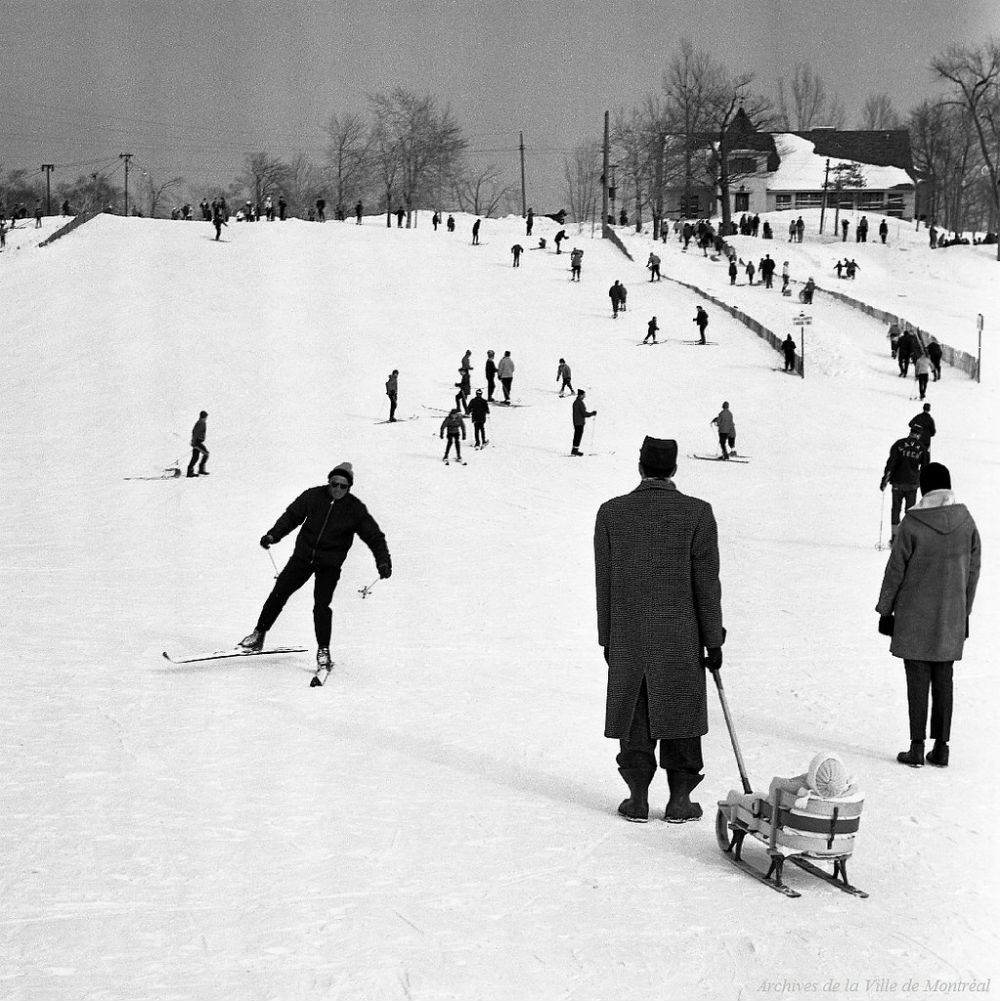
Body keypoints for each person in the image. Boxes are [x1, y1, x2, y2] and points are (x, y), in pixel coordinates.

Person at [594, 436, 725, 823]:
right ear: (674, 469)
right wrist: (712, 639)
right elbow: (707, 583)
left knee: (636, 710)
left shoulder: (611, 514)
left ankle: (637, 798)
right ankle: (680, 801)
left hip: (629, 634)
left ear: (640, 466)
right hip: (681, 637)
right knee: (681, 711)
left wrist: (608, 638)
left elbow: (605, 583)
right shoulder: (698, 514)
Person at [876, 463, 980, 768]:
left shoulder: (913, 523)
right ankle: (942, 747)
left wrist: (886, 610)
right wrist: (965, 611)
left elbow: (895, 570)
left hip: (914, 615)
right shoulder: (966, 522)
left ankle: (917, 747)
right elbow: (973, 572)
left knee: (918, 679)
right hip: (951, 616)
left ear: (924, 488)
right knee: (944, 677)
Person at [238, 464, 391, 671]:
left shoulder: (354, 508)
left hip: (329, 564)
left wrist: (383, 560)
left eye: (343, 486)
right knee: (279, 592)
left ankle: (323, 651)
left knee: (321, 605)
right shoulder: (313, 496)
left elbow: (374, 536)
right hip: (303, 557)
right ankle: (258, 634)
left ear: (349, 488)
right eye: (334, 484)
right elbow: (292, 516)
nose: (337, 489)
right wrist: (273, 535)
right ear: (329, 482)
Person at [880, 426, 928, 540]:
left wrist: (884, 481)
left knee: (896, 509)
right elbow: (925, 468)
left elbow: (890, 464)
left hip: (898, 482)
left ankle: (894, 535)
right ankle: (906, 537)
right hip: (912, 484)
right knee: (910, 511)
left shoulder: (899, 444)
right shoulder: (922, 448)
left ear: (910, 432)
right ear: (919, 435)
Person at [570, 390, 597, 456]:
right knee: (578, 436)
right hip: (579, 422)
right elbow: (584, 413)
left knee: (577, 436)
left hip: (577, 422)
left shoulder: (576, 402)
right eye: (583, 395)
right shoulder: (579, 403)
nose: (584, 396)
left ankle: (574, 450)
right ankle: (575, 451)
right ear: (580, 395)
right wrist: (592, 413)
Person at [187, 410, 209, 477]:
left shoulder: (201, 422)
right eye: (206, 417)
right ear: (203, 417)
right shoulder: (201, 423)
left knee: (195, 457)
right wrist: (193, 442)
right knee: (206, 453)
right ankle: (200, 470)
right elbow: (195, 433)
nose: (206, 418)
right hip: (197, 442)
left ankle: (190, 471)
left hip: (197, 441)